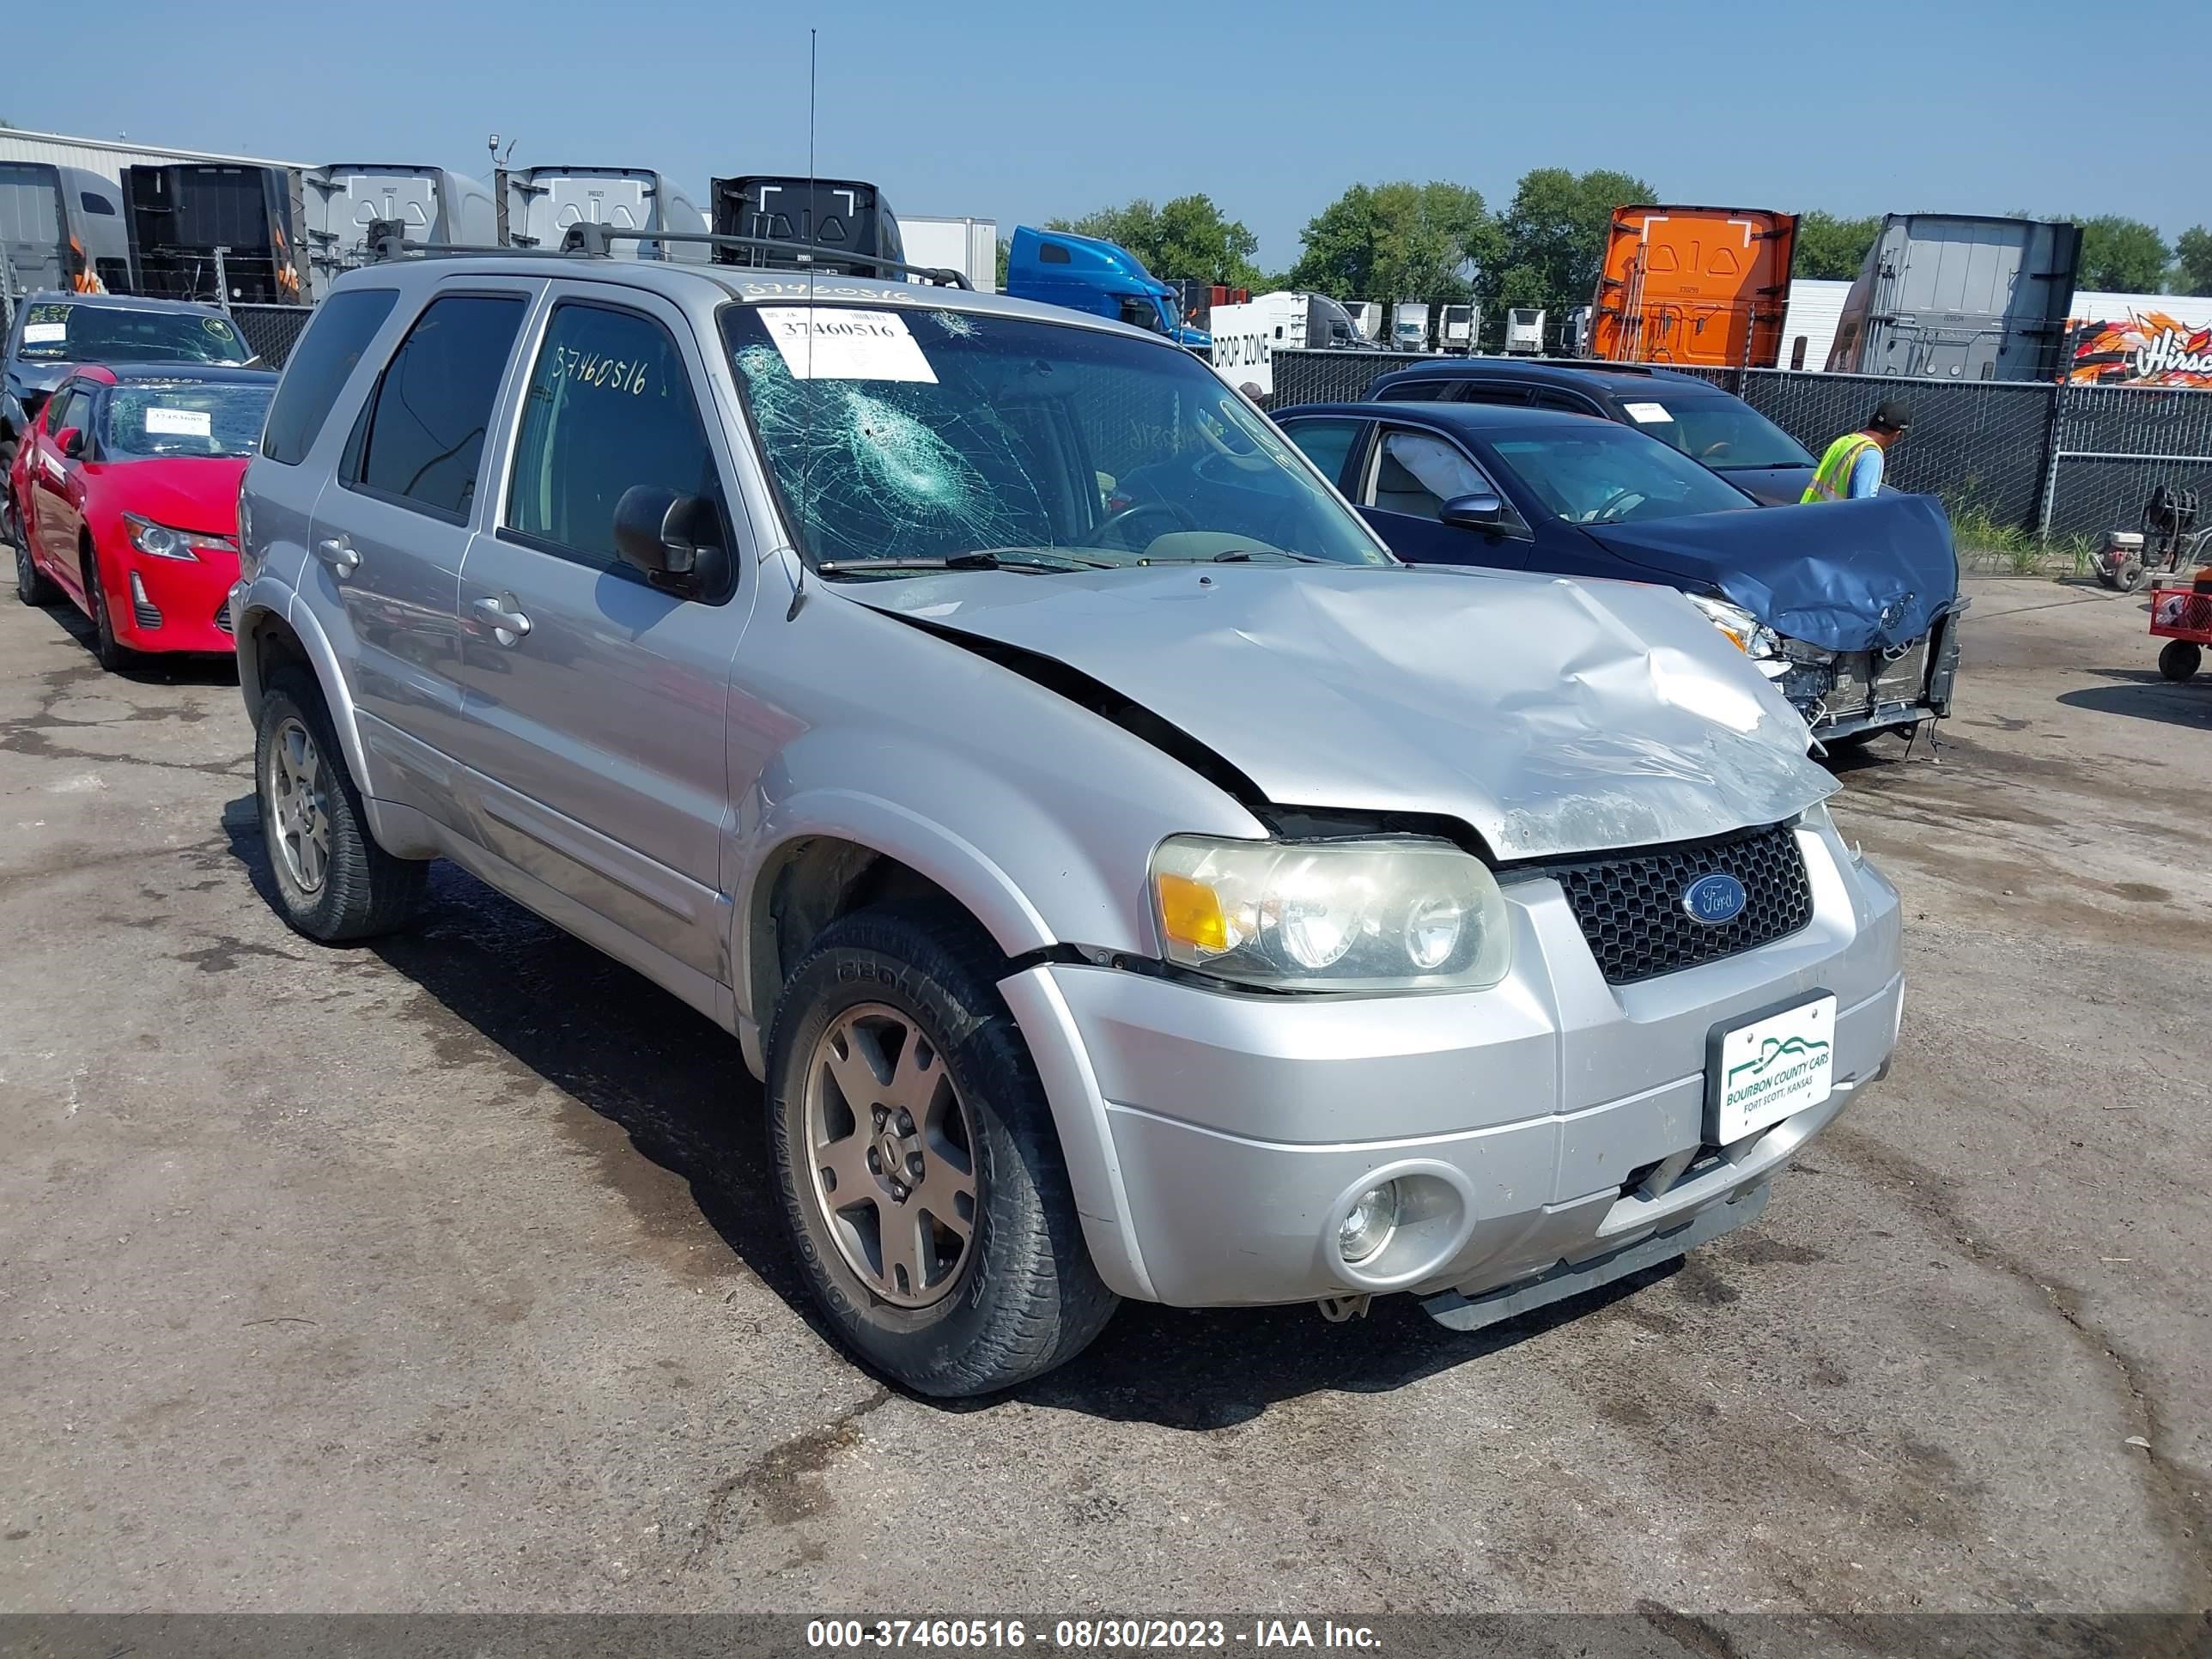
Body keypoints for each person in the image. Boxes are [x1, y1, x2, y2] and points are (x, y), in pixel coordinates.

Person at [1802, 399, 1911, 502]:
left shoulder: (1845, 441)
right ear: (1896, 434)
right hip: (1837, 520)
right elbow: (1863, 504)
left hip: (1810, 514)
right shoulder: (1871, 456)